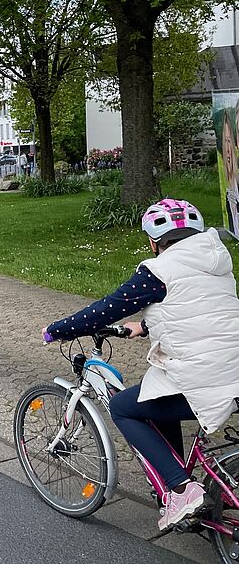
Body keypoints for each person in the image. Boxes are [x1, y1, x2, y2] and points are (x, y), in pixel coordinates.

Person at [43, 199, 239, 531]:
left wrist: (58, 329)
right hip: (232, 371)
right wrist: (144, 326)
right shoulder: (215, 261)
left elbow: (107, 309)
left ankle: (181, 489)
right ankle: (179, 481)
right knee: (153, 400)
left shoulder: (159, 271)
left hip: (205, 377)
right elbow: (198, 308)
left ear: (153, 240)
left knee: (123, 406)